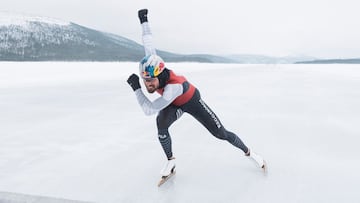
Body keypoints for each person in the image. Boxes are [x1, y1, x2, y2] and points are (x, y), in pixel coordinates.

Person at [127, 9, 266, 176]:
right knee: (161, 125)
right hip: (174, 103)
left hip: (192, 102)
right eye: (144, 80)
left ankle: (250, 153)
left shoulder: (173, 87)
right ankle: (171, 161)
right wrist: (144, 20)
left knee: (221, 133)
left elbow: (148, 109)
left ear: (160, 74)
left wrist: (136, 89)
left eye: (150, 81)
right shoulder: (152, 64)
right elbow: (148, 41)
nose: (147, 84)